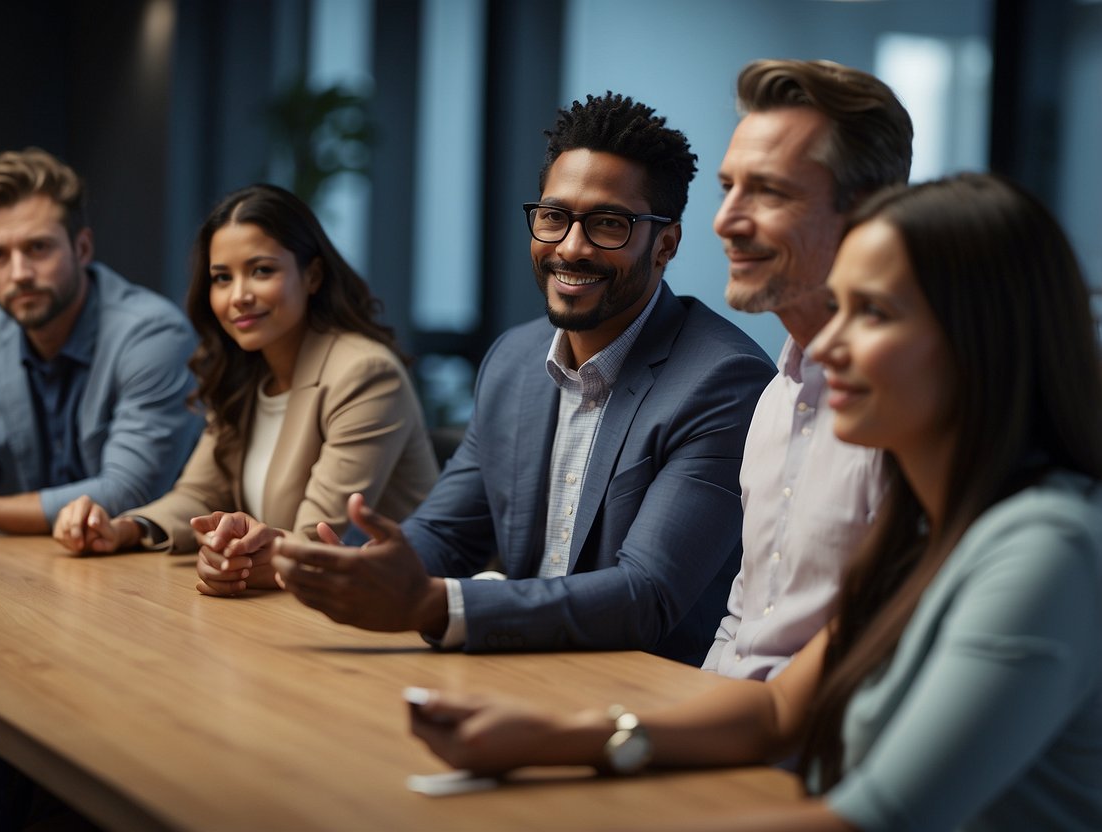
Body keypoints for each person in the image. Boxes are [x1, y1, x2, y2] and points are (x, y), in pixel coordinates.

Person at [407, 172, 1102, 831]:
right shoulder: (927, 529)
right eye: (838, 307)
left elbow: (873, 823)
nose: (825, 345)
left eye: (873, 314)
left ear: (980, 344)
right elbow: (776, 714)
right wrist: (555, 737)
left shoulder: (1043, 550)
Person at [233, 92, 778, 665]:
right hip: (517, 671)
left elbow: (645, 597)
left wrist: (434, 606)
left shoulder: (723, 382)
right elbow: (447, 535)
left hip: (646, 698)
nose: (571, 247)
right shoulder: (514, 361)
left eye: (609, 225)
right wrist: (300, 561)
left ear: (664, 243)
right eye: (554, 217)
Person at [52, 184, 439, 596]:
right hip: (298, 607)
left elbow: (321, 536)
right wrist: (122, 528)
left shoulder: (365, 373)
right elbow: (200, 494)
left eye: (261, 271)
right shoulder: (247, 371)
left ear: (312, 275)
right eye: (222, 278)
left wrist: (230, 559)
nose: (238, 296)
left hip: (394, 608)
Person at [703, 59, 912, 680]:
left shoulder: (907, 414)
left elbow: (880, 658)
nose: (726, 221)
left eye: (770, 192)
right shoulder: (775, 395)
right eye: (728, 188)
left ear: (867, 213)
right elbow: (745, 620)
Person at [0, 147, 201, 534]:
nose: (19, 273)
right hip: (45, 571)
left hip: (154, 571)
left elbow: (128, 492)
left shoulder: (154, 334)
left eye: (38, 247)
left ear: (82, 247)